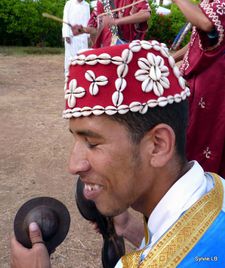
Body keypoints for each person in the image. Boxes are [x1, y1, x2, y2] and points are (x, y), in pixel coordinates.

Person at [11, 39, 225, 267]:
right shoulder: (216, 188)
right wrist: (130, 228)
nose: (73, 165)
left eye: (92, 143)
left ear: (158, 145)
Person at [161, 0, 225, 178]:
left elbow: (207, 24)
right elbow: (198, 41)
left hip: (217, 84)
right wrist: (169, 58)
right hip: (203, 79)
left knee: (208, 141)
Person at [62, 0, 90, 75]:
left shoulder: (86, 5)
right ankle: (68, 74)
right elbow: (65, 19)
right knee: (70, 56)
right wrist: (66, 34)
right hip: (71, 36)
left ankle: (81, 74)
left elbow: (88, 19)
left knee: (83, 55)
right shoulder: (69, 4)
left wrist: (88, 34)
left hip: (83, 35)